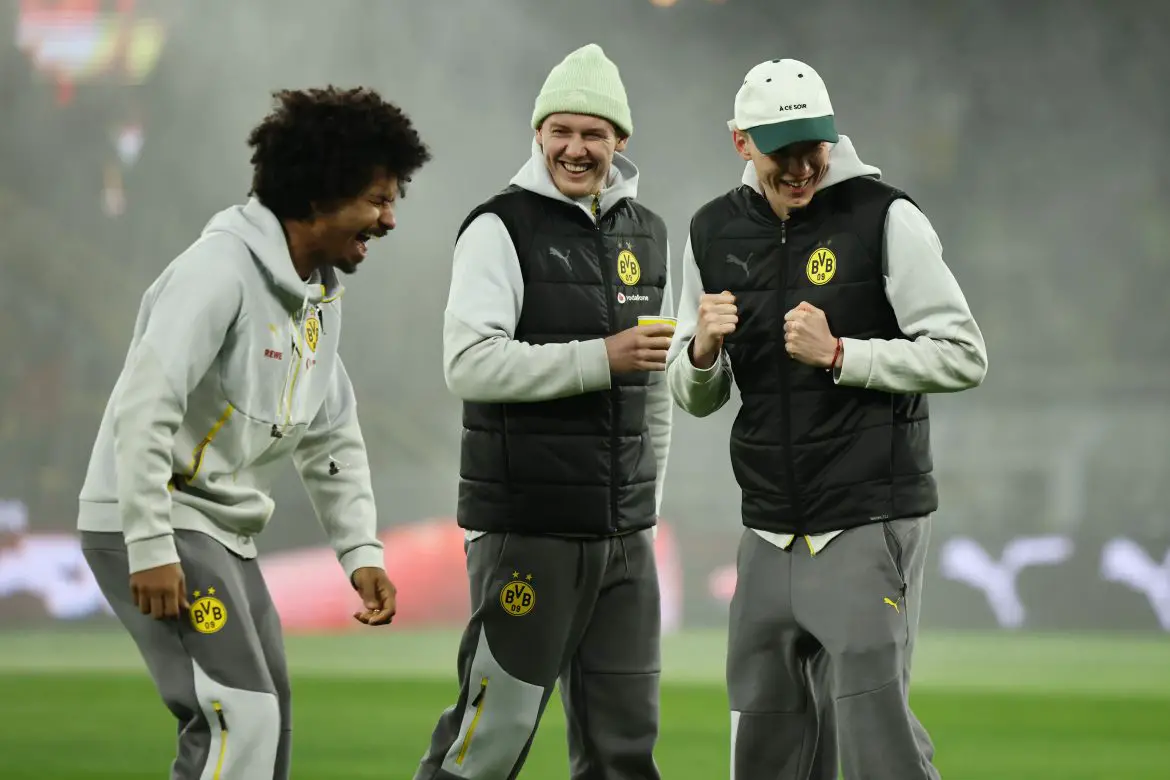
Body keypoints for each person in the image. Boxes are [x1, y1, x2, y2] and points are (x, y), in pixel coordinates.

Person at [76, 86, 431, 779]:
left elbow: (332, 433)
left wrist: (361, 550)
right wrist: (148, 542)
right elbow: (145, 403)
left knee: (267, 720)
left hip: (222, 534)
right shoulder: (217, 272)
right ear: (317, 195)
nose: (388, 220)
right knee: (240, 716)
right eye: (377, 199)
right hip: (157, 518)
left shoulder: (317, 294)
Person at [667, 59, 988, 780]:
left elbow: (965, 355)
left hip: (868, 514)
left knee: (881, 749)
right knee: (765, 749)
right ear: (740, 143)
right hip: (766, 524)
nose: (803, 165)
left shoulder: (886, 217)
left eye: (814, 144)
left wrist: (844, 354)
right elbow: (696, 397)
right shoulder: (711, 231)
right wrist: (701, 351)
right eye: (783, 149)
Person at [413, 43, 674, 780]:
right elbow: (468, 363)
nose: (575, 148)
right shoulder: (500, 227)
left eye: (593, 134)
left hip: (624, 538)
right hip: (529, 530)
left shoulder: (647, 234)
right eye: (560, 130)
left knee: (626, 749)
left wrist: (643, 507)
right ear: (538, 134)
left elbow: (653, 388)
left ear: (620, 141)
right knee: (490, 737)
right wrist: (600, 357)